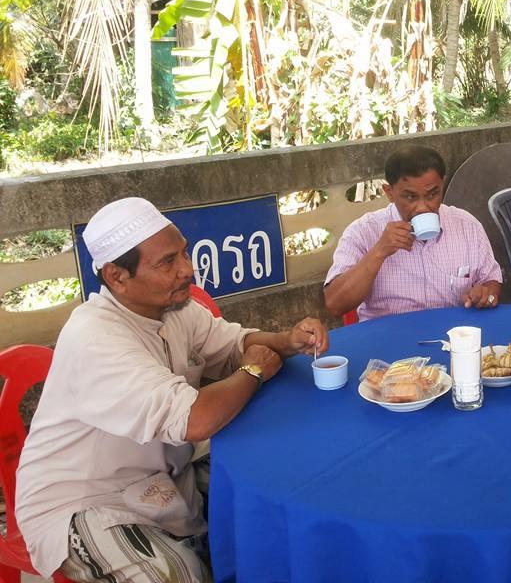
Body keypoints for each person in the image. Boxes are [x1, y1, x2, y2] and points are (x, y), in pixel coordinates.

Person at [16, 197, 330, 582]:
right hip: (86, 498)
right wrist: (253, 371)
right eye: (168, 262)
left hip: (164, 470)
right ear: (117, 276)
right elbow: (197, 420)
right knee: (180, 573)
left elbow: (231, 343)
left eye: (183, 253)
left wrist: (287, 340)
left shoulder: (174, 307)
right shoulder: (94, 338)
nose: (187, 269)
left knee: (277, 483)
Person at [324, 145, 502, 321]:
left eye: (432, 195)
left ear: (442, 185)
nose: (423, 207)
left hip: (453, 332)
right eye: (410, 197)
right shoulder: (363, 232)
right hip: (389, 335)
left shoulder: (466, 225)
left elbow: (491, 280)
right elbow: (335, 305)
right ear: (389, 193)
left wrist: (485, 295)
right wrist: (379, 251)